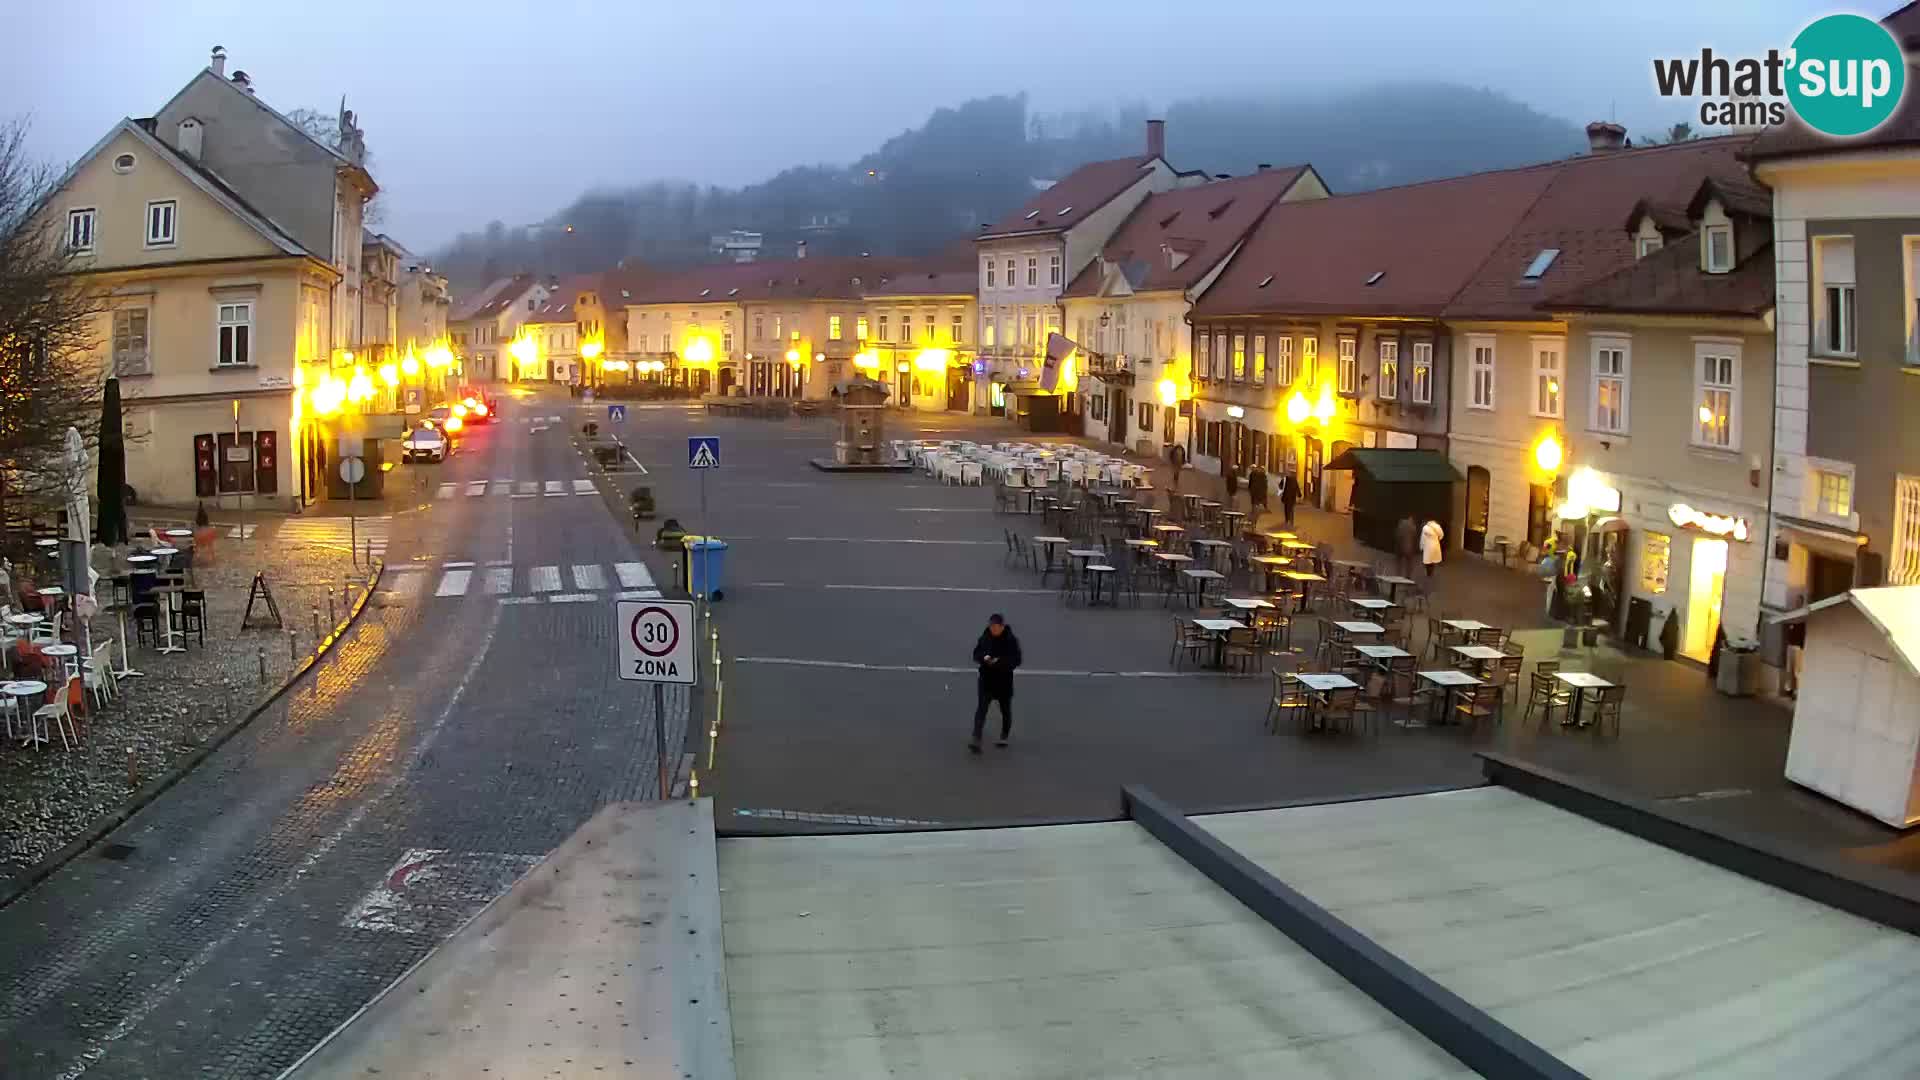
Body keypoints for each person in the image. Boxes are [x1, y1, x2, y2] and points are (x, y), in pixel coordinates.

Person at [970, 613, 1022, 752]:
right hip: (987, 680)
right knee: (981, 709)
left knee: (1005, 710)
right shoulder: (985, 637)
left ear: (1002, 627)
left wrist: (1000, 662)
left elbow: (1016, 660)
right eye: (991, 626)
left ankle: (1004, 734)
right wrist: (984, 658)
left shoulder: (1011, 640)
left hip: (1003, 681)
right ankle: (976, 738)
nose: (993, 629)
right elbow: (976, 654)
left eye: (996, 626)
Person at [1420, 518, 1444, 583]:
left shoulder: (1425, 527)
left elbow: (1423, 538)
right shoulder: (1438, 526)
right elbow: (1442, 535)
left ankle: (1428, 573)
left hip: (1428, 545)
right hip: (1435, 545)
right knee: (1433, 559)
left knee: (1428, 559)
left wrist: (1421, 546)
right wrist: (1438, 539)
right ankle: (1431, 571)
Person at [1395, 514, 1419, 579]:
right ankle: (1408, 576)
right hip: (1409, 547)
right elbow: (1415, 538)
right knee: (1409, 562)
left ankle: (1398, 575)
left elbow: (1397, 535)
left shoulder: (1401, 523)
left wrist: (1398, 544)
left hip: (1400, 545)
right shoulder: (1413, 527)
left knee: (1399, 561)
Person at [1246, 463, 1269, 527]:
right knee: (1257, 506)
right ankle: (1254, 521)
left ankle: (1253, 520)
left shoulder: (1253, 474)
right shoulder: (1263, 476)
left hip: (1254, 492)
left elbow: (1251, 483)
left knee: (1254, 505)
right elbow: (1265, 486)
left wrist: (1250, 490)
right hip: (1259, 493)